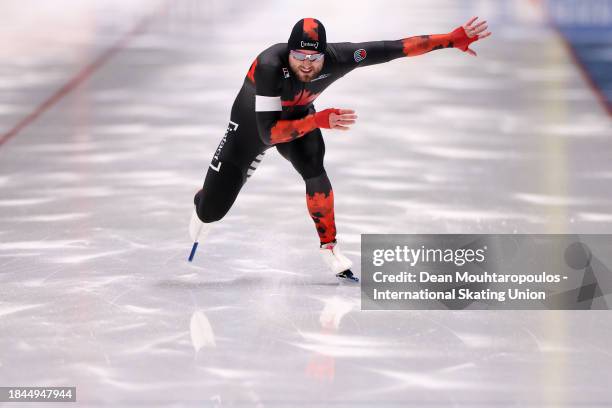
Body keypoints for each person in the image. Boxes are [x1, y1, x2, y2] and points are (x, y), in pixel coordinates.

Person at [189, 17, 492, 282]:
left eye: (314, 57)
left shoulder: (341, 57)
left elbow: (395, 48)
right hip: (251, 131)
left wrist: (451, 40)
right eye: (298, 56)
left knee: (314, 170)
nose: (306, 64)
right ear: (288, 52)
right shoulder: (269, 65)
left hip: (300, 121)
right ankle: (206, 197)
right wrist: (319, 119)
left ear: (326, 54)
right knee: (211, 212)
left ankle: (330, 247)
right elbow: (269, 133)